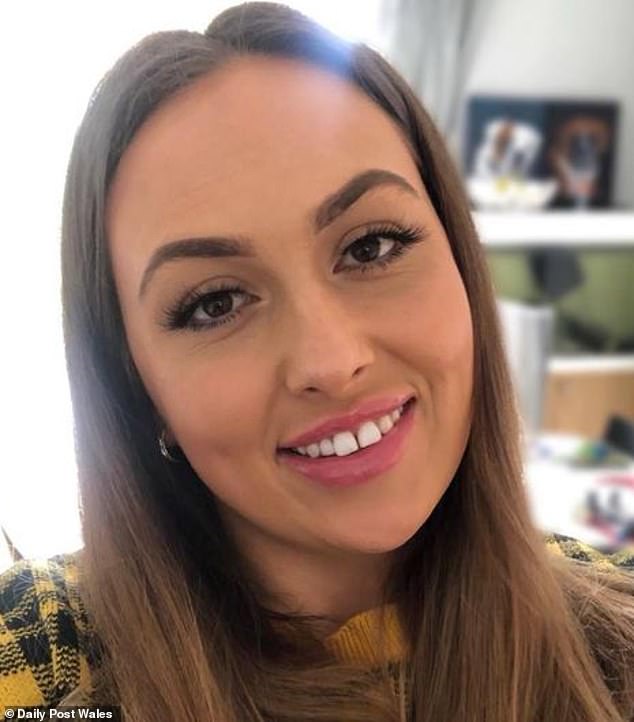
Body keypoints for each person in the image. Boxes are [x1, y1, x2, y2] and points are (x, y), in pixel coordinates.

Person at [1, 3, 633, 721]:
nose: (332, 362)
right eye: (215, 304)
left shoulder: (617, 627)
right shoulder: (38, 658)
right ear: (136, 387)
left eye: (371, 247)